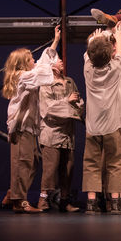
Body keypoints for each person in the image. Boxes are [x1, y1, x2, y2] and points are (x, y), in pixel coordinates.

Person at [3, 26, 61, 214]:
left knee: (33, 160)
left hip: (28, 128)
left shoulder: (28, 73)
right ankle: (19, 201)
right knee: (22, 162)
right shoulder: (23, 77)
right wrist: (52, 68)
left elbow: (42, 64)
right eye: (30, 59)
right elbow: (41, 73)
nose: (33, 61)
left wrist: (55, 41)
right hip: (20, 127)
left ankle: (14, 192)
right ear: (22, 64)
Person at [82, 24, 121, 214]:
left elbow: (89, 52)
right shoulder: (115, 69)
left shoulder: (88, 70)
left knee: (91, 164)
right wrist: (118, 36)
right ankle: (115, 202)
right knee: (115, 163)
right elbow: (120, 54)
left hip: (92, 127)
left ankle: (92, 203)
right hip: (111, 126)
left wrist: (94, 39)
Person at [37, 55, 84, 213]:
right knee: (50, 169)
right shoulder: (46, 84)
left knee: (68, 168)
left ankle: (64, 201)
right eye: (57, 59)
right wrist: (67, 102)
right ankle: (43, 200)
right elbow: (47, 109)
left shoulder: (69, 82)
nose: (61, 61)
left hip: (68, 133)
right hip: (52, 132)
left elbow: (78, 101)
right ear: (51, 65)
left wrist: (77, 108)